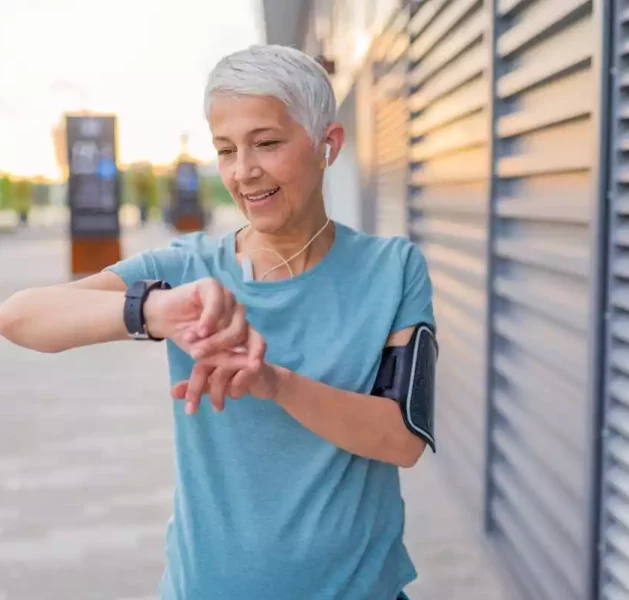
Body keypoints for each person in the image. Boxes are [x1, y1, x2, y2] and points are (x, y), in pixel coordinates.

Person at [0, 45, 436, 600]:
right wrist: (155, 310)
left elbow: (401, 441)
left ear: (328, 145)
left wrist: (273, 382)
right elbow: (20, 317)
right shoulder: (184, 268)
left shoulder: (393, 269)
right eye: (225, 150)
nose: (243, 171)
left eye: (267, 143)